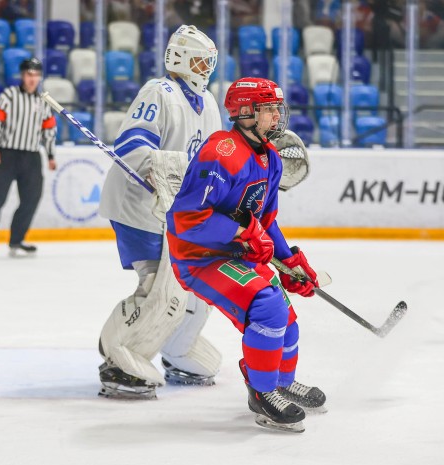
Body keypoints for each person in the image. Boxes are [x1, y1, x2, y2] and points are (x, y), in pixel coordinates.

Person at [165, 77, 326, 433]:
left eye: (276, 109)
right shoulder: (221, 151)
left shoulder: (271, 159)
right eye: (268, 108)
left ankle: (280, 382)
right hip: (200, 258)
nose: (275, 116)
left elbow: (266, 221)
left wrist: (291, 262)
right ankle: (262, 392)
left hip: (236, 254)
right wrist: (241, 232)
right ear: (244, 112)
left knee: (286, 315)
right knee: (267, 308)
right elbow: (184, 220)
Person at [97, 25, 223, 399]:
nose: (206, 68)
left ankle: (178, 349)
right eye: (200, 60)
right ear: (179, 58)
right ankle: (119, 356)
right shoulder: (159, 92)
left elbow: (213, 160)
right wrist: (165, 171)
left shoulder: (210, 103)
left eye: (210, 62)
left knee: (199, 284)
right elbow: (132, 146)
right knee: (158, 288)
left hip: (177, 213)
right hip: (139, 206)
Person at [0, 58, 57, 257]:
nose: (33, 79)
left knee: (31, 199)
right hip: (6, 155)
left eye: (36, 75)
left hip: (31, 156)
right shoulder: (9, 96)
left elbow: (49, 130)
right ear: (22, 75)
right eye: (29, 74)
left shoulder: (42, 101)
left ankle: (17, 240)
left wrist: (50, 154)